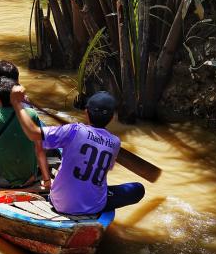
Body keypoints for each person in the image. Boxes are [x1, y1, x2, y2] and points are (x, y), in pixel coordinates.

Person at [10, 88, 145, 214]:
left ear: (86, 112)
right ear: (111, 118)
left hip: (60, 203)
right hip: (94, 206)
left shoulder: (73, 130)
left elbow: (33, 133)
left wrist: (17, 103)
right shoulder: (115, 142)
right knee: (138, 189)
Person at [0, 77, 51, 193]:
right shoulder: (31, 114)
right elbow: (40, 150)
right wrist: (47, 181)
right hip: (30, 178)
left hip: (1, 180)